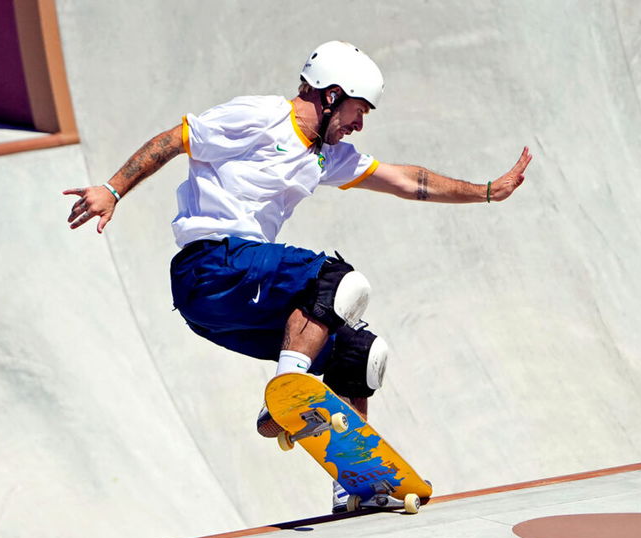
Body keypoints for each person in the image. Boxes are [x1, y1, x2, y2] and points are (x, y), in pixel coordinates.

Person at [64, 41, 531, 510]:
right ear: (330, 95)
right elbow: (173, 140)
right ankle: (285, 393)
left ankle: (356, 485)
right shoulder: (261, 115)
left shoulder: (326, 154)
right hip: (210, 266)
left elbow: (409, 181)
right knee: (337, 282)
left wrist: (487, 191)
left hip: (234, 302)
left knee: (358, 352)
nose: (358, 124)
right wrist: (112, 189)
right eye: (357, 110)